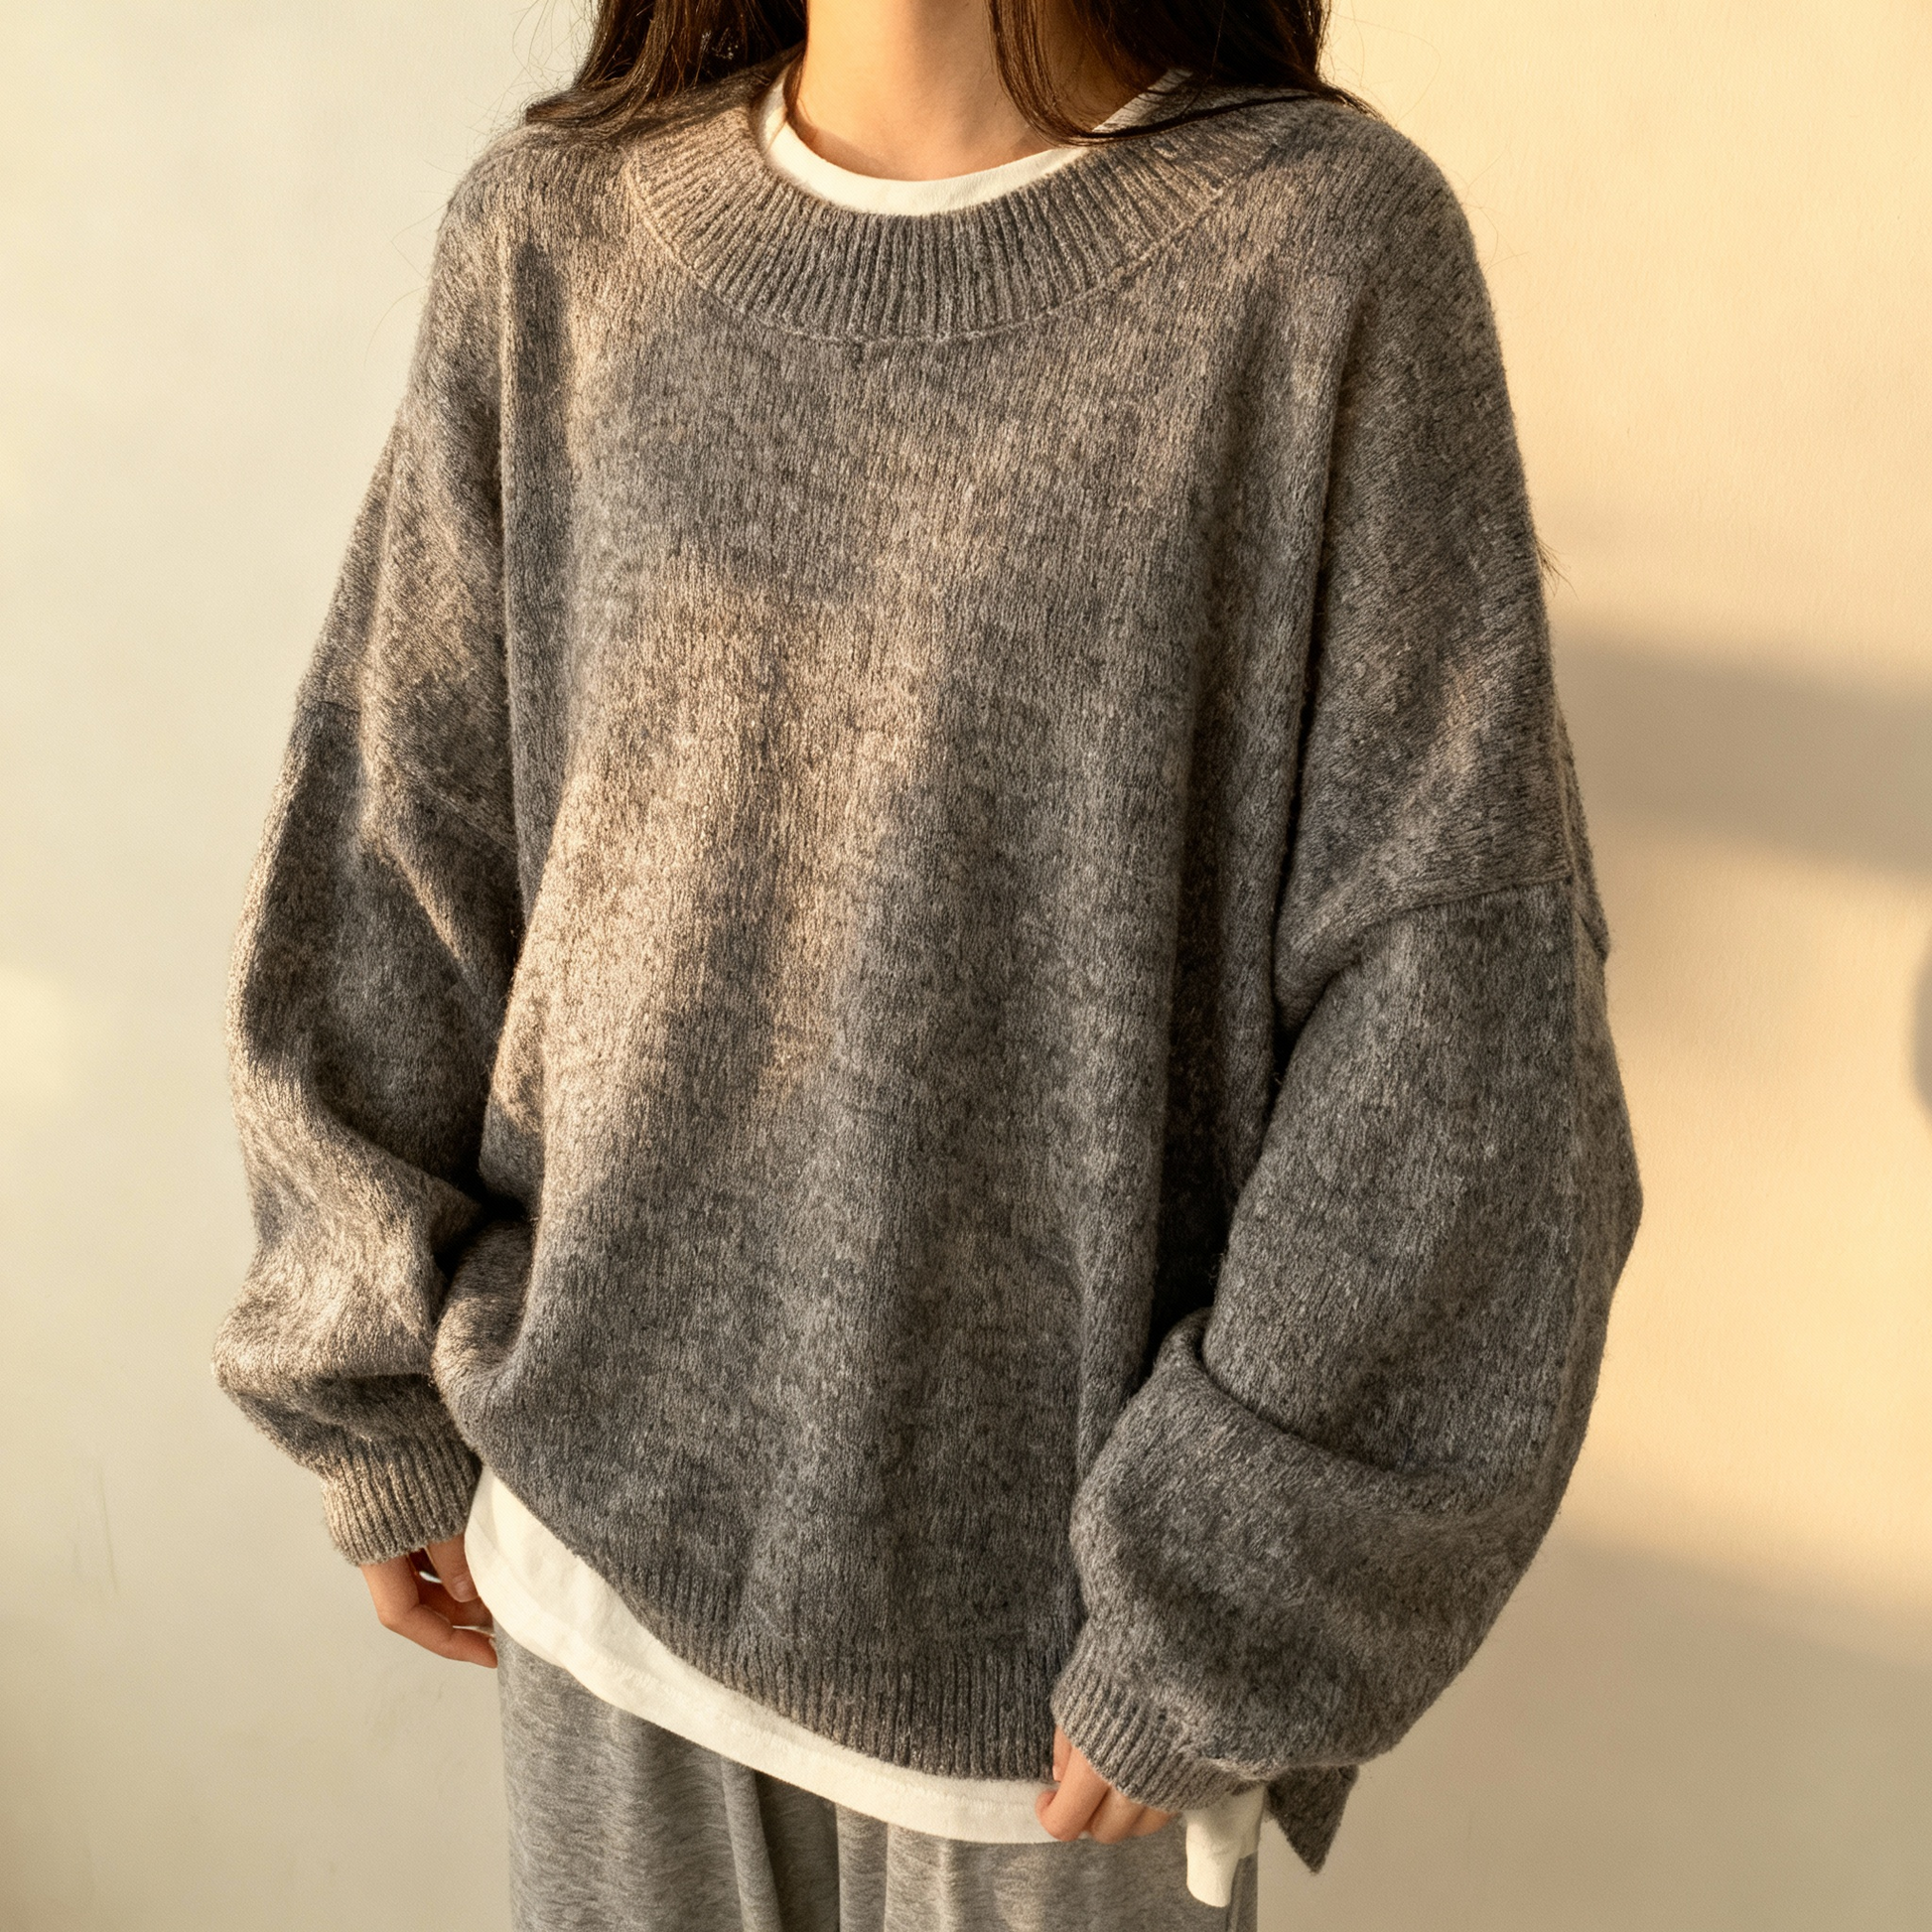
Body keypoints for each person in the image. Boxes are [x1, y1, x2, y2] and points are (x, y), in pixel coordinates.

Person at [210, 0, 1643, 1923]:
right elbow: (403, 825)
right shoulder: (557, 237)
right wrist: (364, 1371)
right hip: (591, 1576)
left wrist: (1238, 1587)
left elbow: (1459, 994)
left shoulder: (1312, 252)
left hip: (1056, 1704)